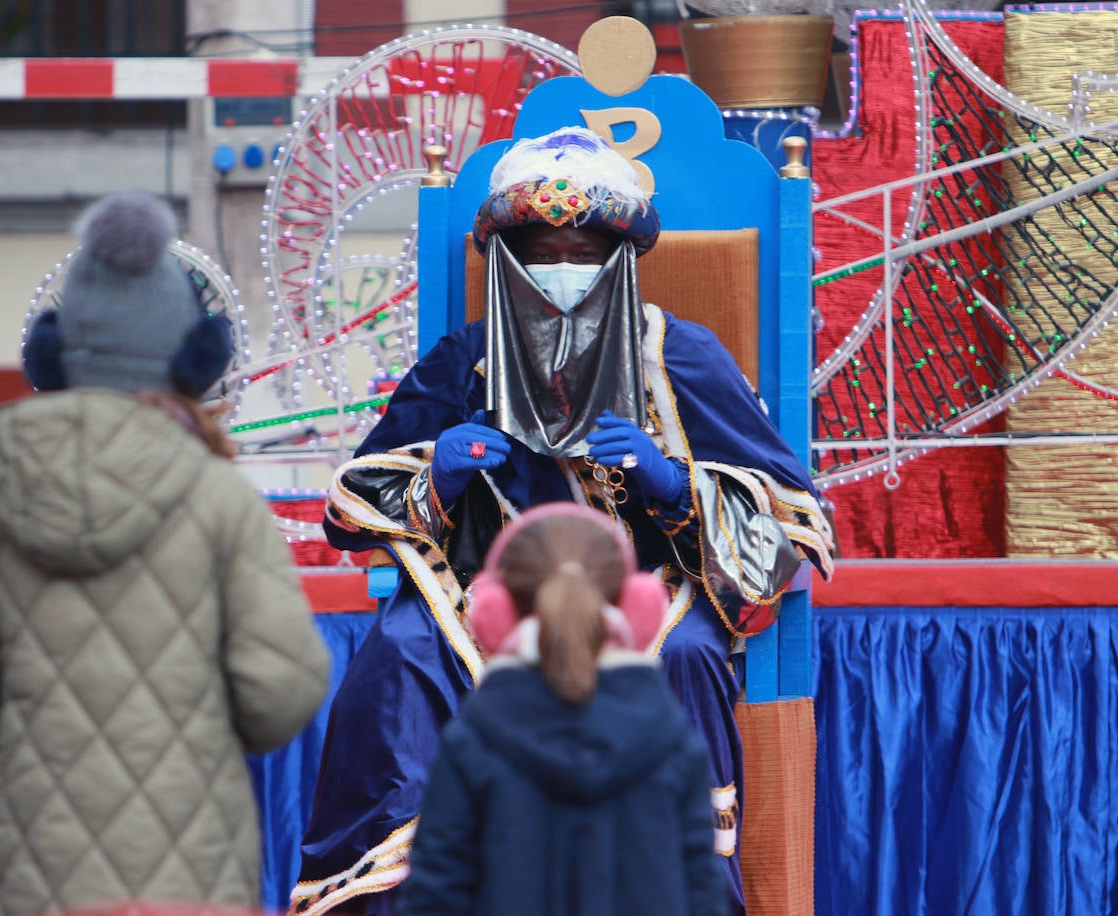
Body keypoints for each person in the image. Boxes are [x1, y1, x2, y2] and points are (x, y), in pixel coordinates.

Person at [292, 127, 834, 916]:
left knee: (684, 654)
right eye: (542, 249)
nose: (564, 268)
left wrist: (673, 482)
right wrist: (433, 474)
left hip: (639, 592)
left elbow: (795, 521)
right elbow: (349, 508)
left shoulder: (681, 355)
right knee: (403, 649)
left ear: (619, 256)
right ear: (506, 257)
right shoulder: (463, 360)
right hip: (490, 595)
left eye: (583, 251)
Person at [0, 190, 332, 916]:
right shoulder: (218, 496)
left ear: (57, 353)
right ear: (191, 358)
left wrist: (31, 738)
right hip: (191, 872)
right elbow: (280, 695)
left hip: (37, 873)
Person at [396, 502, 728, 916]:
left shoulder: (473, 741)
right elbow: (703, 894)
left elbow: (435, 897)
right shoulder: (672, 738)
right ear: (636, 608)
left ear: (496, 614)